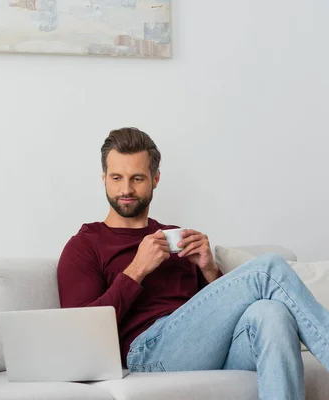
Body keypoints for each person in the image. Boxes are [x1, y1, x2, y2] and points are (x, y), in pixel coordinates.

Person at [56, 127, 329, 399]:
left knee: (272, 314)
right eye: (117, 177)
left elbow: (216, 315)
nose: (126, 189)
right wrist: (136, 270)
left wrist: (209, 269)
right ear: (104, 178)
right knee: (268, 268)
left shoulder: (176, 236)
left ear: (155, 179)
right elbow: (80, 333)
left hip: (204, 348)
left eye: (137, 178)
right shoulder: (85, 245)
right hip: (148, 352)